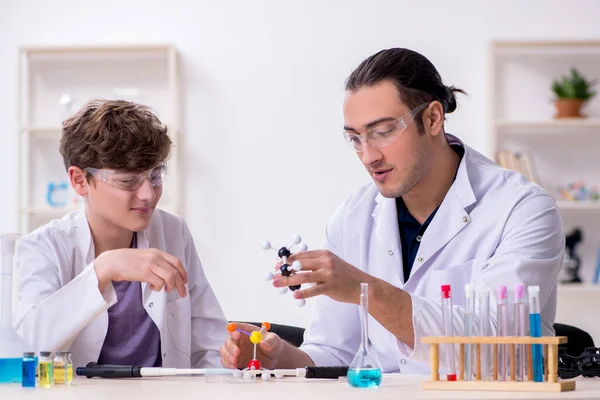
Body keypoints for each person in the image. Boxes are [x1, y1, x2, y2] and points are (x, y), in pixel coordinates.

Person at [220, 48, 565, 374]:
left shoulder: (522, 210)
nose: (368, 156)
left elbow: (498, 350)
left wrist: (365, 289)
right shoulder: (352, 217)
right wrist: (279, 356)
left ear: (432, 118)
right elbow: (337, 355)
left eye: (382, 132)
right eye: (355, 138)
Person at [14, 99, 228, 370]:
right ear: (80, 180)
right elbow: (28, 346)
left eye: (155, 175)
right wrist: (103, 270)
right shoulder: (43, 247)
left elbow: (210, 346)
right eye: (128, 181)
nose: (149, 194)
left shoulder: (174, 232)